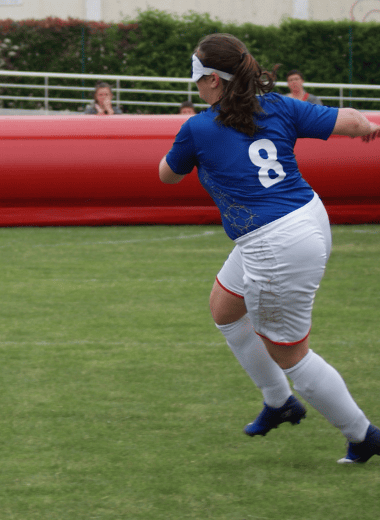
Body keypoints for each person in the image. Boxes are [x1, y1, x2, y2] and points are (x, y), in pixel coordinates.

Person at [159, 33, 380, 464]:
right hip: (305, 215)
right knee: (225, 307)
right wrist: (368, 127)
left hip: (275, 240)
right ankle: (279, 402)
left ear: (216, 82)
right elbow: (350, 120)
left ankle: (363, 436)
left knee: (289, 352)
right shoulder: (277, 105)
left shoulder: (198, 128)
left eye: (199, 76)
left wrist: (184, 152)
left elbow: (167, 175)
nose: (196, 85)